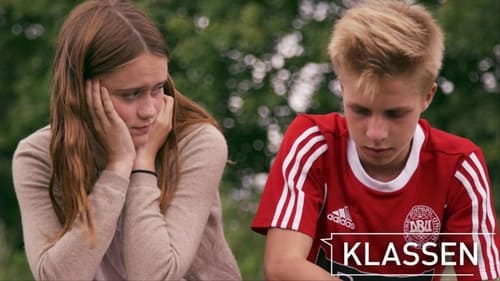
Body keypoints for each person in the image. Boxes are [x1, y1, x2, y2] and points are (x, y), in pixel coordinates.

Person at [251, 0, 500, 280]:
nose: (376, 133)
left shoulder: (460, 166)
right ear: (342, 87)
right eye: (360, 110)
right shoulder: (314, 143)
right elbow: (283, 267)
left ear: (427, 97)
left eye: (395, 114)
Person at [11, 0, 241, 280]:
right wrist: (117, 167)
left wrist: (142, 165)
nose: (149, 111)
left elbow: (154, 275)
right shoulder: (38, 156)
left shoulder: (197, 143)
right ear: (80, 91)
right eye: (130, 94)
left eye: (158, 89)